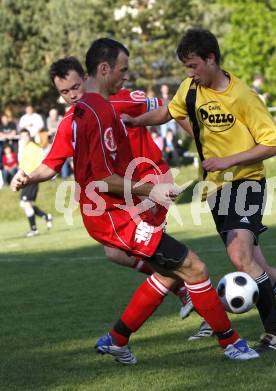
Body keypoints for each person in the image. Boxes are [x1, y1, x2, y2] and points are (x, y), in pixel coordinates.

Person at [123, 28, 276, 350]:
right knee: (259, 268)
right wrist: (134, 122)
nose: (189, 74)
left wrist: (228, 160)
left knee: (238, 254)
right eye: (186, 68)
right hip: (216, 189)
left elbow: (272, 143)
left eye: (193, 66)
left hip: (246, 182)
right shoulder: (190, 89)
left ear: (211, 59)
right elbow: (168, 112)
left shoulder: (243, 96)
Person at [72, 38, 259, 363]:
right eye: (122, 70)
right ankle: (231, 343)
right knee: (195, 267)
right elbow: (102, 178)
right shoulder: (99, 112)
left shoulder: (93, 108)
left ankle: (117, 339)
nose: (125, 77)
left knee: (171, 271)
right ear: (103, 69)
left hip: (119, 212)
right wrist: (150, 190)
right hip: (114, 218)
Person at [11, 56, 193, 320]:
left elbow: (171, 107)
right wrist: (29, 177)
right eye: (64, 92)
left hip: (150, 177)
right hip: (121, 191)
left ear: (86, 78)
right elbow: (51, 164)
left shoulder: (121, 98)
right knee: (115, 253)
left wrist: (194, 137)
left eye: (75, 87)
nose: (72, 95)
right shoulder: (71, 121)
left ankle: (197, 303)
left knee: (165, 255)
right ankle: (185, 291)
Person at [17, 129, 53, 237]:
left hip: (31, 178)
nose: (24, 138)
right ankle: (46, 217)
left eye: (26, 136)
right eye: (22, 136)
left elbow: (41, 161)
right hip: (26, 179)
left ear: (29, 136)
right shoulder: (26, 148)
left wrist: (34, 175)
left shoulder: (33, 148)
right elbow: (23, 164)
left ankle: (34, 229)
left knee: (26, 203)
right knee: (25, 204)